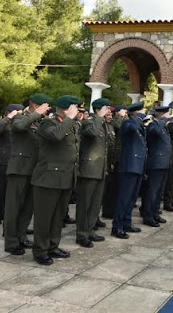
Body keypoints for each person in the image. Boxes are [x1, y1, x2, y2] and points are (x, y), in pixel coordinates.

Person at [31, 95, 81, 265]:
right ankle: (40, 250)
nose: (77, 111)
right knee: (44, 217)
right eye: (74, 107)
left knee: (58, 215)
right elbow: (55, 136)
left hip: (66, 177)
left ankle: (53, 246)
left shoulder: (70, 124)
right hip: (48, 178)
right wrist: (70, 119)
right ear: (65, 108)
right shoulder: (48, 123)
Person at [3, 94, 50, 256]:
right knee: (13, 206)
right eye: (43, 105)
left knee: (28, 207)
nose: (46, 108)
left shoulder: (39, 122)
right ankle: (10, 241)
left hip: (35, 169)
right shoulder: (19, 116)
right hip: (19, 168)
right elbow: (19, 127)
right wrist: (37, 113)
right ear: (33, 104)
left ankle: (21, 236)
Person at [75, 98, 111, 248]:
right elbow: (92, 133)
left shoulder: (103, 124)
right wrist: (98, 117)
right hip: (88, 170)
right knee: (85, 203)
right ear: (97, 109)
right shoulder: (90, 122)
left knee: (95, 204)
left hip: (100, 169)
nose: (109, 110)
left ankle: (89, 230)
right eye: (106, 108)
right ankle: (81, 234)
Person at [112, 102, 146, 239]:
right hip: (129, 166)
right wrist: (137, 118)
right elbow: (130, 129)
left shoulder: (139, 125)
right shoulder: (128, 123)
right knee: (124, 198)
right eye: (142, 111)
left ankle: (127, 222)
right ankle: (117, 226)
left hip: (137, 166)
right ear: (135, 112)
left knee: (132, 198)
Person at [0, 104, 22, 225]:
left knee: (9, 190)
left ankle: (4, 212)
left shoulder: (19, 124)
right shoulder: (4, 122)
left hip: (15, 160)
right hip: (2, 160)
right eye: (17, 111)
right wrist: (9, 117)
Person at [142, 106, 172, 227]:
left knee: (159, 192)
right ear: (162, 114)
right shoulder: (153, 124)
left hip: (164, 163)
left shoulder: (163, 126)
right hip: (156, 163)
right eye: (167, 114)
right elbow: (154, 132)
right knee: (152, 191)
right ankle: (148, 215)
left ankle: (155, 213)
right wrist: (162, 120)